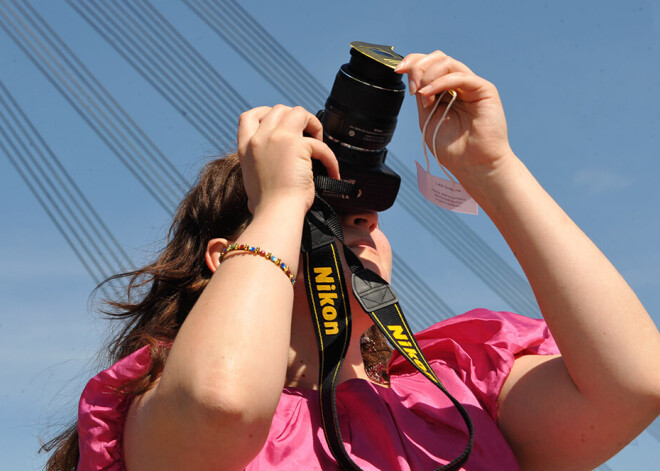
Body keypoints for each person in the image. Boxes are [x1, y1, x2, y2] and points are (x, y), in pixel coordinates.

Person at [43, 51, 660, 471]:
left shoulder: (455, 397)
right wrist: (284, 202)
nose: (362, 224)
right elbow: (222, 404)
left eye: (366, 216)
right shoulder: (161, 410)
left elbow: (633, 385)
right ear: (224, 258)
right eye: (327, 215)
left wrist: (490, 168)